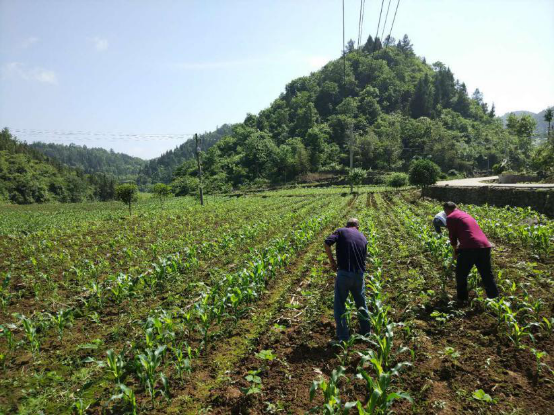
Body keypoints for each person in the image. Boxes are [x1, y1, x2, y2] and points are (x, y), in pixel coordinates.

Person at [324, 218, 371, 344]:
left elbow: (327, 243)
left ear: (347, 225)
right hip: (359, 275)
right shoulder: (363, 237)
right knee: (361, 304)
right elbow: (364, 258)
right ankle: (366, 333)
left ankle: (343, 338)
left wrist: (332, 262)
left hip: (344, 273)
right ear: (357, 227)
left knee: (340, 306)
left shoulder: (341, 231)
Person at [443, 201, 499, 302]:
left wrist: (455, 251)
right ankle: (494, 298)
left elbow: (452, 236)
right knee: (486, 273)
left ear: (446, 210)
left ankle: (462, 299)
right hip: (485, 245)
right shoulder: (466, 215)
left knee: (461, 274)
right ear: (456, 207)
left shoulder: (450, 217)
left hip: (469, 247)